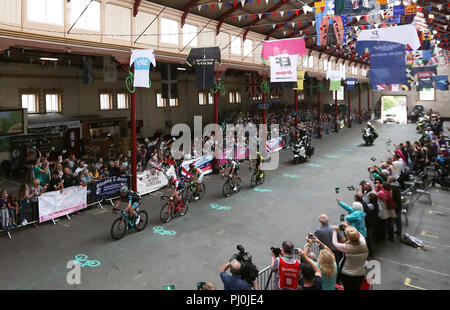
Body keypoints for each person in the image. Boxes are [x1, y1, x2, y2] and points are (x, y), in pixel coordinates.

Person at [332, 224, 369, 290]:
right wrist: (350, 227)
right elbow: (360, 235)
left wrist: (335, 231)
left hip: (347, 274)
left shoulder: (346, 247)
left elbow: (335, 243)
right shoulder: (363, 243)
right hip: (360, 273)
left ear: (348, 238)